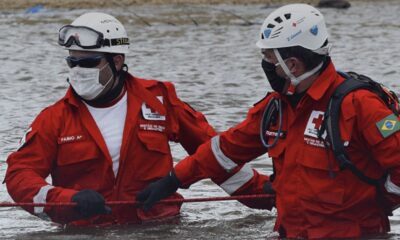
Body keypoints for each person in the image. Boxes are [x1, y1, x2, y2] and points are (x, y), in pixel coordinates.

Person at [136, 4, 400, 239]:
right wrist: (173, 180)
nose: (265, 64)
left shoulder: (360, 105)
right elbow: (225, 149)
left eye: (269, 58)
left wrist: (377, 203)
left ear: (292, 65)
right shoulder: (277, 108)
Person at [5, 12, 225, 226]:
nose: (79, 70)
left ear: (117, 62)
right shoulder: (53, 118)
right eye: (73, 62)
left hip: (160, 228)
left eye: (89, 62)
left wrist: (175, 180)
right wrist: (66, 200)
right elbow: (19, 175)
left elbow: (217, 152)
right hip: (87, 232)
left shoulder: (160, 99)